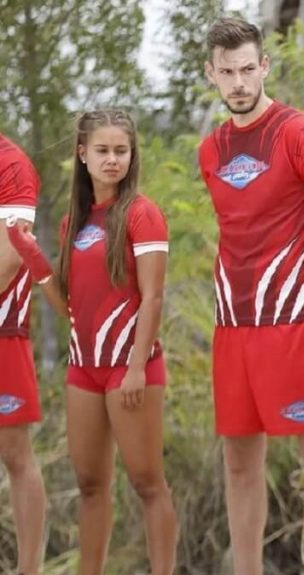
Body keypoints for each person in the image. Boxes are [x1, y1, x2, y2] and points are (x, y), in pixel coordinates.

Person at [197, 17, 304, 575]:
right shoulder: (211, 149)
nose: (240, 82)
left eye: (249, 69)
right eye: (228, 72)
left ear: (265, 66)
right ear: (211, 74)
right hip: (231, 327)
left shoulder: (300, 133)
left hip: (291, 328)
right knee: (239, 464)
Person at [8, 109, 179, 575]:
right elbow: (68, 306)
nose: (112, 160)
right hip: (84, 368)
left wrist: (137, 367)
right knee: (89, 485)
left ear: (132, 155)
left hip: (130, 367)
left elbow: (154, 296)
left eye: (121, 151)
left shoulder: (143, 214)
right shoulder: (74, 223)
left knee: (147, 483)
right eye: (102, 150)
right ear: (83, 154)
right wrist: (33, 256)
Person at [0, 132, 47, 575]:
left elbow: (11, 255)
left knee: (15, 453)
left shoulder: (11, 163)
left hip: (4, 328)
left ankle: (28, 570)